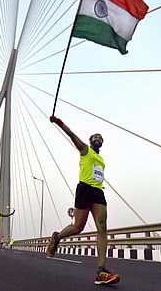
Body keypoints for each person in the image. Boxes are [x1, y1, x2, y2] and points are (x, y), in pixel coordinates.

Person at [47, 116, 120, 285]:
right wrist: (59, 122)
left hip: (98, 192)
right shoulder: (85, 150)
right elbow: (71, 135)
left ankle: (101, 271)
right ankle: (57, 237)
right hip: (84, 189)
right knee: (78, 227)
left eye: (101, 138)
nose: (98, 139)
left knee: (102, 228)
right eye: (95, 137)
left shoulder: (102, 160)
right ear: (90, 140)